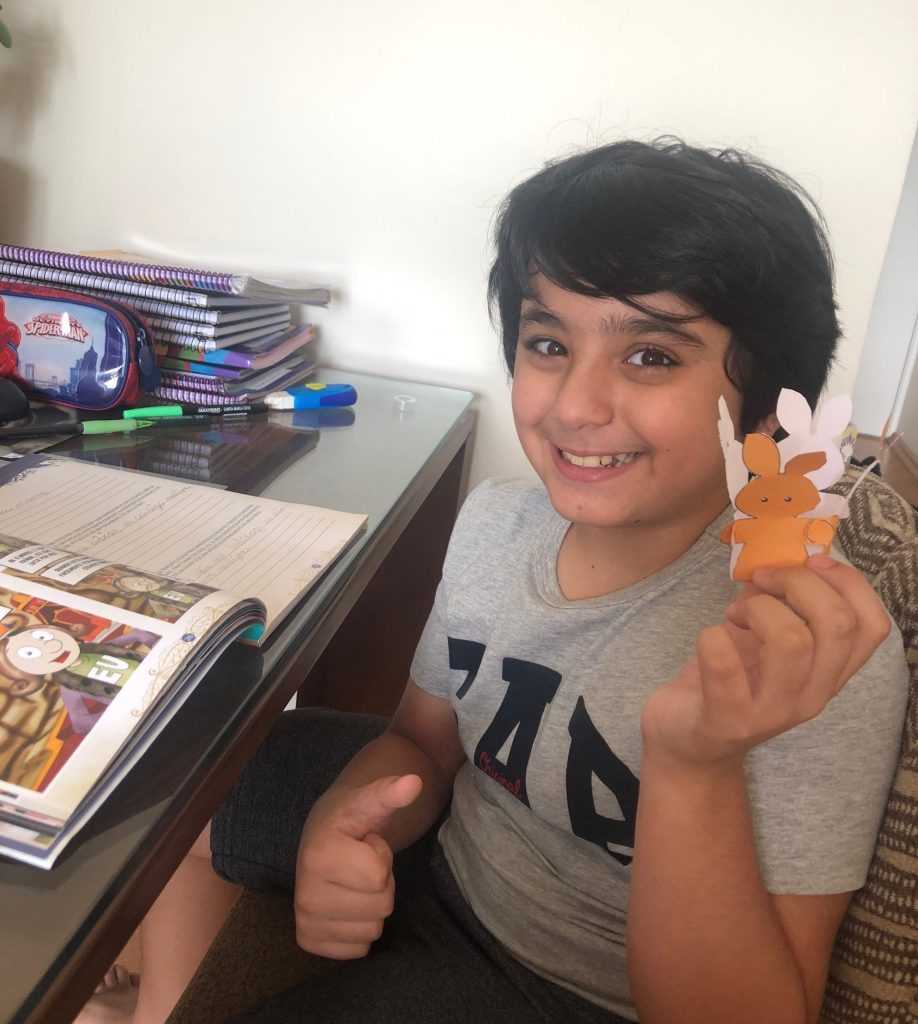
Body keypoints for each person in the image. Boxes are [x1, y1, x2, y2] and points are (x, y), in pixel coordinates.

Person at [77, 138, 909, 1024]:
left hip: (567, 989)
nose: (574, 405)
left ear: (765, 405)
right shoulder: (496, 523)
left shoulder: (806, 650)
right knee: (174, 768)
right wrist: (350, 818)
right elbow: (424, 741)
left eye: (652, 357)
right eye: (548, 343)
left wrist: (694, 764)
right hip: (455, 857)